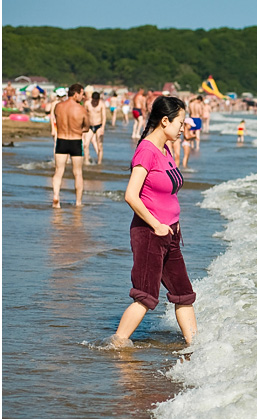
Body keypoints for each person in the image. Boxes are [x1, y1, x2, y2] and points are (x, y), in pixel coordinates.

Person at [109, 95, 196, 347]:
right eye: (180, 123)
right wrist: (156, 224)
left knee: (184, 295)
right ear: (165, 120)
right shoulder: (146, 150)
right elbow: (131, 195)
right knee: (145, 296)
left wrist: (172, 224)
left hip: (169, 234)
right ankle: (116, 345)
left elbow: (166, 193)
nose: (183, 128)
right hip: (150, 234)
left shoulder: (165, 149)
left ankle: (196, 347)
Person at [51, 84, 89, 208]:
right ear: (76, 93)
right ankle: (78, 202)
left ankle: (56, 196)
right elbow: (87, 127)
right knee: (77, 173)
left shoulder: (58, 106)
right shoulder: (81, 109)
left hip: (61, 140)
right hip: (75, 141)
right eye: (82, 94)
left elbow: (57, 121)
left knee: (58, 171)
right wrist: (78, 130)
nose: (83, 97)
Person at [84, 91, 106, 165]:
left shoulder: (101, 105)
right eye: (94, 101)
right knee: (85, 144)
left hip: (98, 126)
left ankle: (99, 162)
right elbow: (84, 114)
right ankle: (86, 161)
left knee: (99, 146)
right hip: (89, 126)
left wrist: (102, 127)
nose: (95, 102)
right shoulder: (87, 103)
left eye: (97, 101)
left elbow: (104, 117)